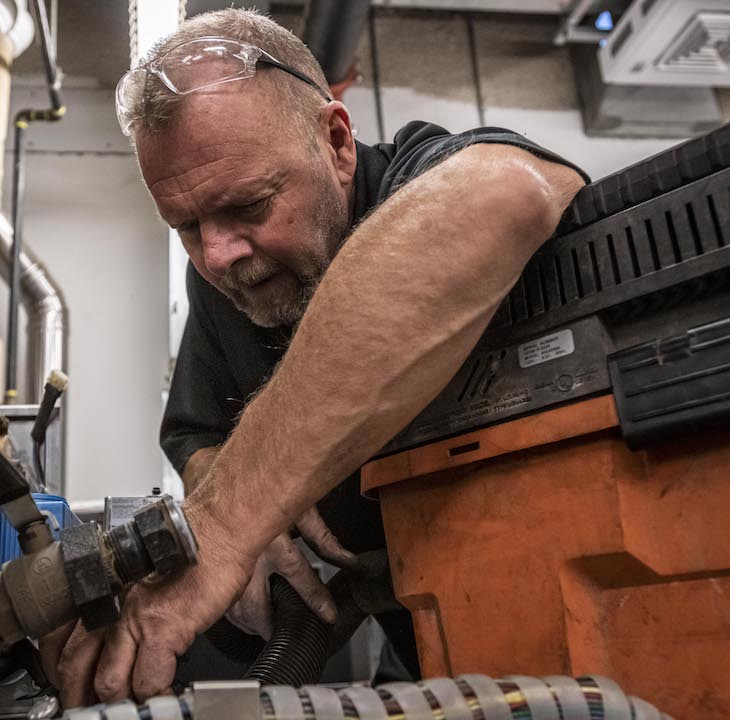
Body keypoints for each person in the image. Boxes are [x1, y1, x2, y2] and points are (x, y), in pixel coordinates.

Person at [49, 9, 588, 705]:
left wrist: (224, 527)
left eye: (248, 203)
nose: (218, 254)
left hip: (584, 641)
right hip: (423, 648)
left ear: (335, 143)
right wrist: (234, 500)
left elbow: (508, 194)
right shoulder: (227, 273)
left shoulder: (417, 179)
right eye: (186, 225)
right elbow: (198, 432)